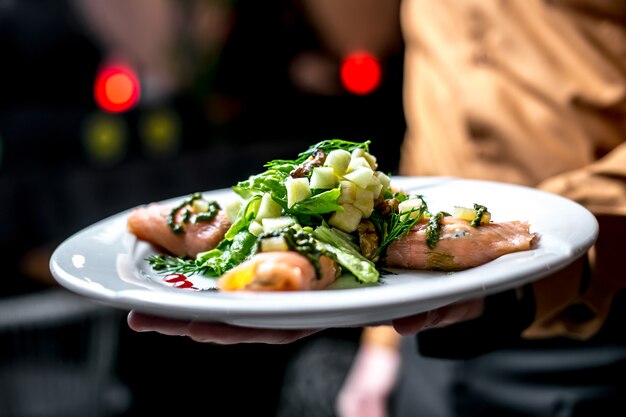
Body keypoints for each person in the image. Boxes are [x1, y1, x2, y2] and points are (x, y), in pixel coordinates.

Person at [128, 0, 626, 415]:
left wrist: (548, 252)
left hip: (596, 326)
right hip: (427, 326)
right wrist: (382, 341)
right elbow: (435, 116)